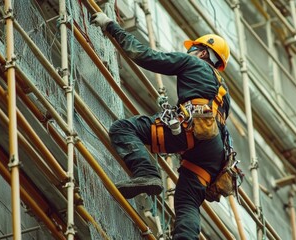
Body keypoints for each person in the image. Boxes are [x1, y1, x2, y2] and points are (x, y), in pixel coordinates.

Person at [91, 12, 231, 239]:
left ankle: (147, 173)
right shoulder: (223, 93)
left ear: (203, 52)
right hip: (213, 153)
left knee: (123, 129)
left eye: (193, 49)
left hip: (190, 130)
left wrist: (111, 26)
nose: (190, 53)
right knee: (187, 203)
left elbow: (144, 56)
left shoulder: (193, 62)